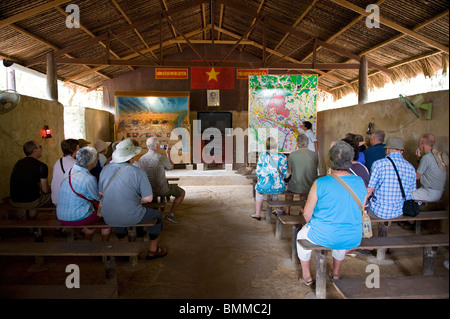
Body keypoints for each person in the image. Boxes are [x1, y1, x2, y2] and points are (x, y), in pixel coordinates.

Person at [296, 141, 367, 286]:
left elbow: (307, 213)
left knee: (300, 237)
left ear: (329, 161)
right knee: (341, 234)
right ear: (350, 161)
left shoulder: (321, 182)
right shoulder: (359, 182)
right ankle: (336, 273)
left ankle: (306, 276)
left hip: (324, 234)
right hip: (352, 236)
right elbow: (361, 209)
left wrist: (309, 224)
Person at [99, 139, 167, 260]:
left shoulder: (105, 169)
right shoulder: (138, 172)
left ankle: (124, 245)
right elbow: (148, 199)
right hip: (131, 215)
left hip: (108, 216)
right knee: (157, 216)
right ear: (132, 156)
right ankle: (153, 249)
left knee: (117, 213)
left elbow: (100, 192)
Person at [57, 147, 111, 241]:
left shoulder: (69, 171)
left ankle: (88, 241)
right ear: (91, 163)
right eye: (96, 158)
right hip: (77, 217)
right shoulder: (88, 178)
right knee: (108, 217)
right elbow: (97, 197)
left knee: (93, 219)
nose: (98, 159)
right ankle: (105, 247)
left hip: (61, 215)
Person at [367, 137, 416, 235]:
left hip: (378, 211)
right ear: (401, 152)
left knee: (364, 209)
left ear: (388, 150)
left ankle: (375, 242)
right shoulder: (410, 167)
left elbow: (369, 190)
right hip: (399, 211)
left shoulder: (378, 164)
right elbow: (412, 193)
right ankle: (384, 241)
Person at [139, 137, 185, 224]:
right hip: (161, 189)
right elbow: (171, 167)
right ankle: (170, 214)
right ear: (157, 146)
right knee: (181, 193)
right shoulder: (161, 157)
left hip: (146, 190)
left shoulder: (141, 159)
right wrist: (168, 154)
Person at [10, 141, 52, 217]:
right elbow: (45, 190)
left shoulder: (18, 163)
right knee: (55, 196)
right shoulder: (41, 166)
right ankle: (56, 223)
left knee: (34, 196)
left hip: (14, 200)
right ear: (34, 150)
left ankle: (31, 222)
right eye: (40, 147)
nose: (41, 149)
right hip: (31, 201)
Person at [251, 137, 288, 220]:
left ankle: (257, 214)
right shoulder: (283, 157)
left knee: (259, 191)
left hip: (264, 185)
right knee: (275, 190)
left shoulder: (263, 156)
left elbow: (258, 171)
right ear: (276, 145)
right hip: (279, 187)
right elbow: (285, 174)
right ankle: (275, 209)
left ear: (267, 146)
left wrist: (262, 178)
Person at [285, 133, 318, 214]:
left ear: (297, 143)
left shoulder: (292, 155)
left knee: (289, 190)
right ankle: (302, 208)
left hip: (296, 185)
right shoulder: (315, 155)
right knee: (304, 192)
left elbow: (290, 170)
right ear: (307, 142)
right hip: (311, 185)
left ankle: (287, 211)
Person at [411, 133, 447, 202]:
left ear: (422, 142)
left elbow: (416, 177)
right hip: (439, 192)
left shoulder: (426, 157)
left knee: (405, 195)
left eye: (419, 141)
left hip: (430, 193)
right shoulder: (437, 155)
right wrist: (419, 158)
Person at [51, 139, 79, 205]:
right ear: (74, 150)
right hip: (66, 200)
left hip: (55, 199)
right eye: (78, 148)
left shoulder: (58, 161)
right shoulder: (75, 163)